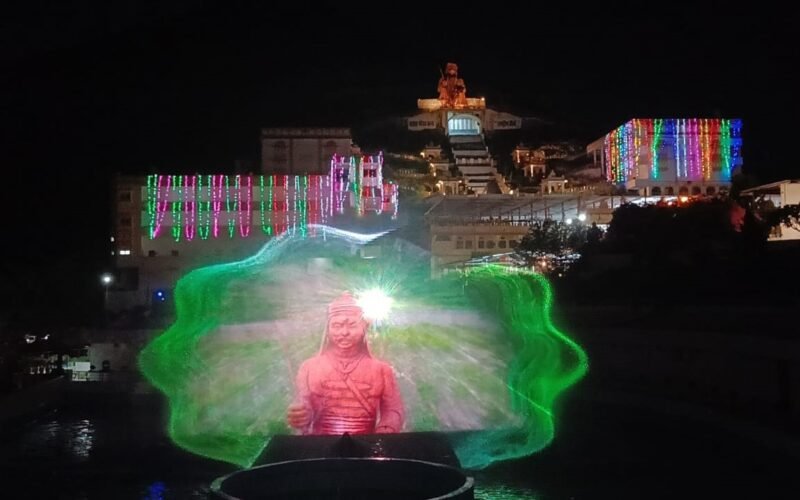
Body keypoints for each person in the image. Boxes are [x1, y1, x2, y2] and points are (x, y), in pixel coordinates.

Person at [286, 292, 405, 435]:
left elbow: (393, 410)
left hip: (365, 443)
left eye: (352, 325)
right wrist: (300, 415)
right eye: (337, 325)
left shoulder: (381, 370)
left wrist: (385, 430)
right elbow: (304, 405)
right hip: (321, 443)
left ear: (363, 329)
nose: (344, 332)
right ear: (328, 329)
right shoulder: (308, 368)